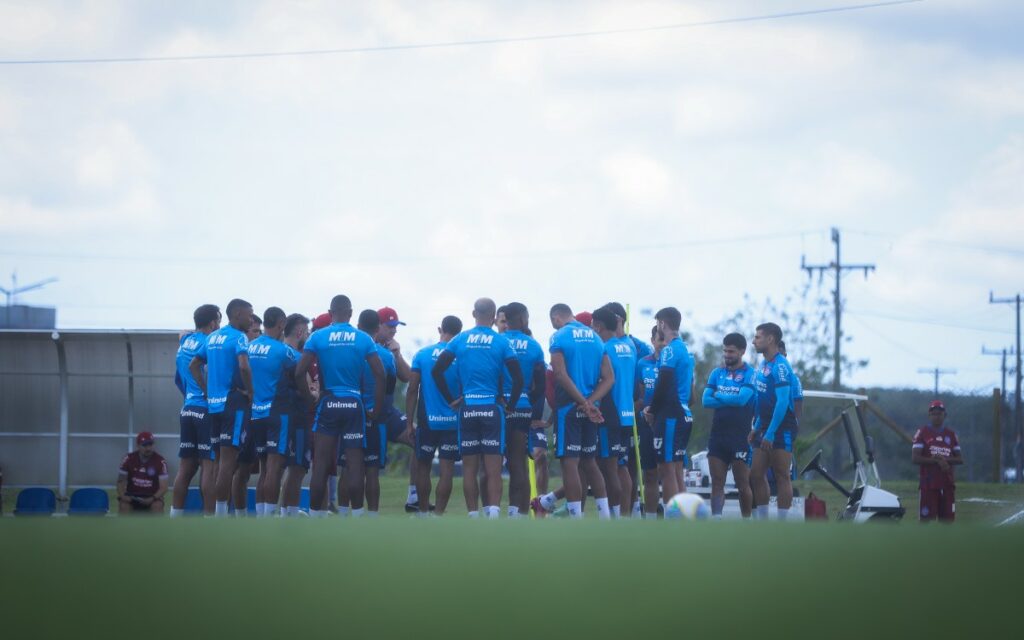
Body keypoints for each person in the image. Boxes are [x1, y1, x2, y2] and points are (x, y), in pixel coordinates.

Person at [432, 298, 524, 518]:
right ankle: (492, 516)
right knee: (493, 469)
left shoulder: (459, 340)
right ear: (494, 317)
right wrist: (510, 405)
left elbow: (437, 371)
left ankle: (473, 515)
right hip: (492, 409)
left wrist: (451, 399)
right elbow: (518, 378)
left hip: (468, 410)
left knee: (470, 470)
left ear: (474, 313)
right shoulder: (501, 342)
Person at [295, 295, 386, 518]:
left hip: (328, 402)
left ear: (330, 311)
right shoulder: (363, 338)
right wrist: (376, 408)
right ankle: (356, 516)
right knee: (355, 463)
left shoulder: (318, 336)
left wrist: (310, 400)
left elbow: (299, 373)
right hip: (354, 403)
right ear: (351, 313)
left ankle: (316, 516)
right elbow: (381, 374)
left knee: (322, 463)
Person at [538, 303, 613, 519]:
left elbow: (559, 374)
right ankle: (605, 516)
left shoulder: (559, 337)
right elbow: (609, 378)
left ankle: (575, 517)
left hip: (569, 408)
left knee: (570, 463)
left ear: (556, 318)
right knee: (590, 462)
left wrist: (582, 402)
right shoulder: (596, 337)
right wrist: (591, 403)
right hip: (591, 409)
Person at [189, 298, 255, 517]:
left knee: (217, 462)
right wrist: (251, 392)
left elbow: (194, 365)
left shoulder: (213, 337)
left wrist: (207, 390)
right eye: (248, 315)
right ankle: (220, 517)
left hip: (214, 406)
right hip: (233, 403)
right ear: (237, 314)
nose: (251, 319)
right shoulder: (240, 337)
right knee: (229, 462)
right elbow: (244, 366)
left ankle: (214, 515)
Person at [407, 315, 464, 515]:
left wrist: (409, 424)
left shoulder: (422, 354)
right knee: (447, 470)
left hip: (427, 421)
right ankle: (438, 515)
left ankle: (423, 513)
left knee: (423, 467)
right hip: (452, 422)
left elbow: (412, 389)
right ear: (460, 333)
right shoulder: (460, 356)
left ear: (440, 329)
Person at [244, 307, 295, 517]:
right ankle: (270, 519)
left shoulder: (249, 347)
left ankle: (261, 517)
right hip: (276, 413)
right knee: (274, 468)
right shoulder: (282, 350)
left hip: (255, 414)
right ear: (282, 324)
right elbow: (300, 369)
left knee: (265, 469)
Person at [170, 303, 220, 517]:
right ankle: (210, 520)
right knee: (209, 467)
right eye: (219, 320)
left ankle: (175, 516)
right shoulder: (209, 343)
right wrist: (207, 393)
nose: (220, 325)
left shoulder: (184, 343)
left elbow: (179, 380)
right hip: (204, 409)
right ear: (212, 322)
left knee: (185, 468)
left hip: (187, 408)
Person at [701, 333, 756, 518]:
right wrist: (728, 399)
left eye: (731, 351)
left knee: (742, 484)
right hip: (718, 436)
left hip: (741, 436)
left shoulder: (750, 373)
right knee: (717, 482)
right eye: (725, 350)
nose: (727, 354)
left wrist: (719, 396)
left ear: (742, 351)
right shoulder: (717, 373)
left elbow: (742, 400)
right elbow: (705, 401)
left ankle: (747, 522)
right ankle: (717, 520)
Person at [643, 307, 693, 506]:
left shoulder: (670, 350)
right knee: (675, 469)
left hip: (671, 414)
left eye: (657, 324)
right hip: (682, 413)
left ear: (662, 324)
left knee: (667, 469)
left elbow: (663, 382)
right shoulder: (683, 348)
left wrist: (652, 410)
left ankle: (674, 517)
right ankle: (683, 515)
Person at [748, 322, 798, 520]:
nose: (753, 341)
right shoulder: (763, 364)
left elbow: (782, 402)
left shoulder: (781, 366)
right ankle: (763, 521)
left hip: (782, 425)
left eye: (757, 337)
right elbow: (763, 401)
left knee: (781, 474)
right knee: (756, 474)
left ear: (770, 339)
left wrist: (770, 432)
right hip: (765, 425)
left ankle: (782, 524)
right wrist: (757, 426)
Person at [501, 302, 546, 518]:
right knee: (518, 463)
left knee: (490, 465)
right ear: (522, 319)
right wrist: (528, 401)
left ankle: (489, 512)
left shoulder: (497, 342)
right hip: (522, 407)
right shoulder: (534, 346)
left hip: (498, 407)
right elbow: (541, 386)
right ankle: (517, 514)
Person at [592, 306, 636, 517]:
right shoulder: (629, 346)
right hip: (628, 416)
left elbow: (602, 380)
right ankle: (625, 515)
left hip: (611, 415)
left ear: (598, 326)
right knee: (622, 467)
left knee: (609, 470)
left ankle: (615, 517)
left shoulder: (604, 348)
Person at [374, 307, 420, 513]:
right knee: (363, 463)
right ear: (378, 326)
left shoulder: (392, 347)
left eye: (396, 326)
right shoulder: (367, 345)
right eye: (390, 326)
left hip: (388, 411)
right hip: (368, 412)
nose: (394, 330)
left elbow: (409, 377)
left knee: (420, 438)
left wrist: (398, 355)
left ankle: (414, 497)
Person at [271, 313, 312, 517]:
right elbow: (306, 388)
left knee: (277, 467)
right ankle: (290, 515)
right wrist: (314, 393)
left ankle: (283, 513)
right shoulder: (295, 357)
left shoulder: (276, 351)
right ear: (299, 331)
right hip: (296, 419)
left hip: (275, 417)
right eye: (307, 330)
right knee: (297, 468)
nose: (309, 334)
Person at [632, 325, 664, 518]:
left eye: (665, 340)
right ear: (652, 341)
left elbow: (689, 397)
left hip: (669, 422)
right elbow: (641, 396)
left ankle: (674, 517)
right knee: (650, 474)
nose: (662, 344)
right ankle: (651, 519)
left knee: (670, 473)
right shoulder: (643, 363)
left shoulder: (677, 361)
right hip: (646, 425)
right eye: (659, 339)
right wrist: (643, 408)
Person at [912, 400, 962, 522]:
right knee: (926, 522)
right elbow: (915, 458)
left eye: (939, 413)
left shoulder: (951, 434)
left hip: (947, 484)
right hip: (928, 485)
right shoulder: (922, 432)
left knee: (948, 522)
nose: (937, 416)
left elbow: (959, 459)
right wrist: (936, 461)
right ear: (929, 415)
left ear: (945, 415)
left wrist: (944, 460)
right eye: (934, 413)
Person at [117, 432, 169, 514]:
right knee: (124, 506)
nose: (148, 448)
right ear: (138, 446)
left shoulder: (160, 461)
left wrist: (152, 498)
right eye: (144, 445)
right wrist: (123, 496)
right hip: (132, 496)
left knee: (157, 506)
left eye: (150, 445)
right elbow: (120, 482)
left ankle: (158, 527)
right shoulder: (128, 459)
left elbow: (164, 487)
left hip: (152, 497)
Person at [778, 340, 803, 424]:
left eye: (780, 355)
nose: (778, 359)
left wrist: (795, 425)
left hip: (785, 426)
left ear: (785, 355)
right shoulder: (762, 375)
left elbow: (798, 403)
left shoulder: (794, 379)